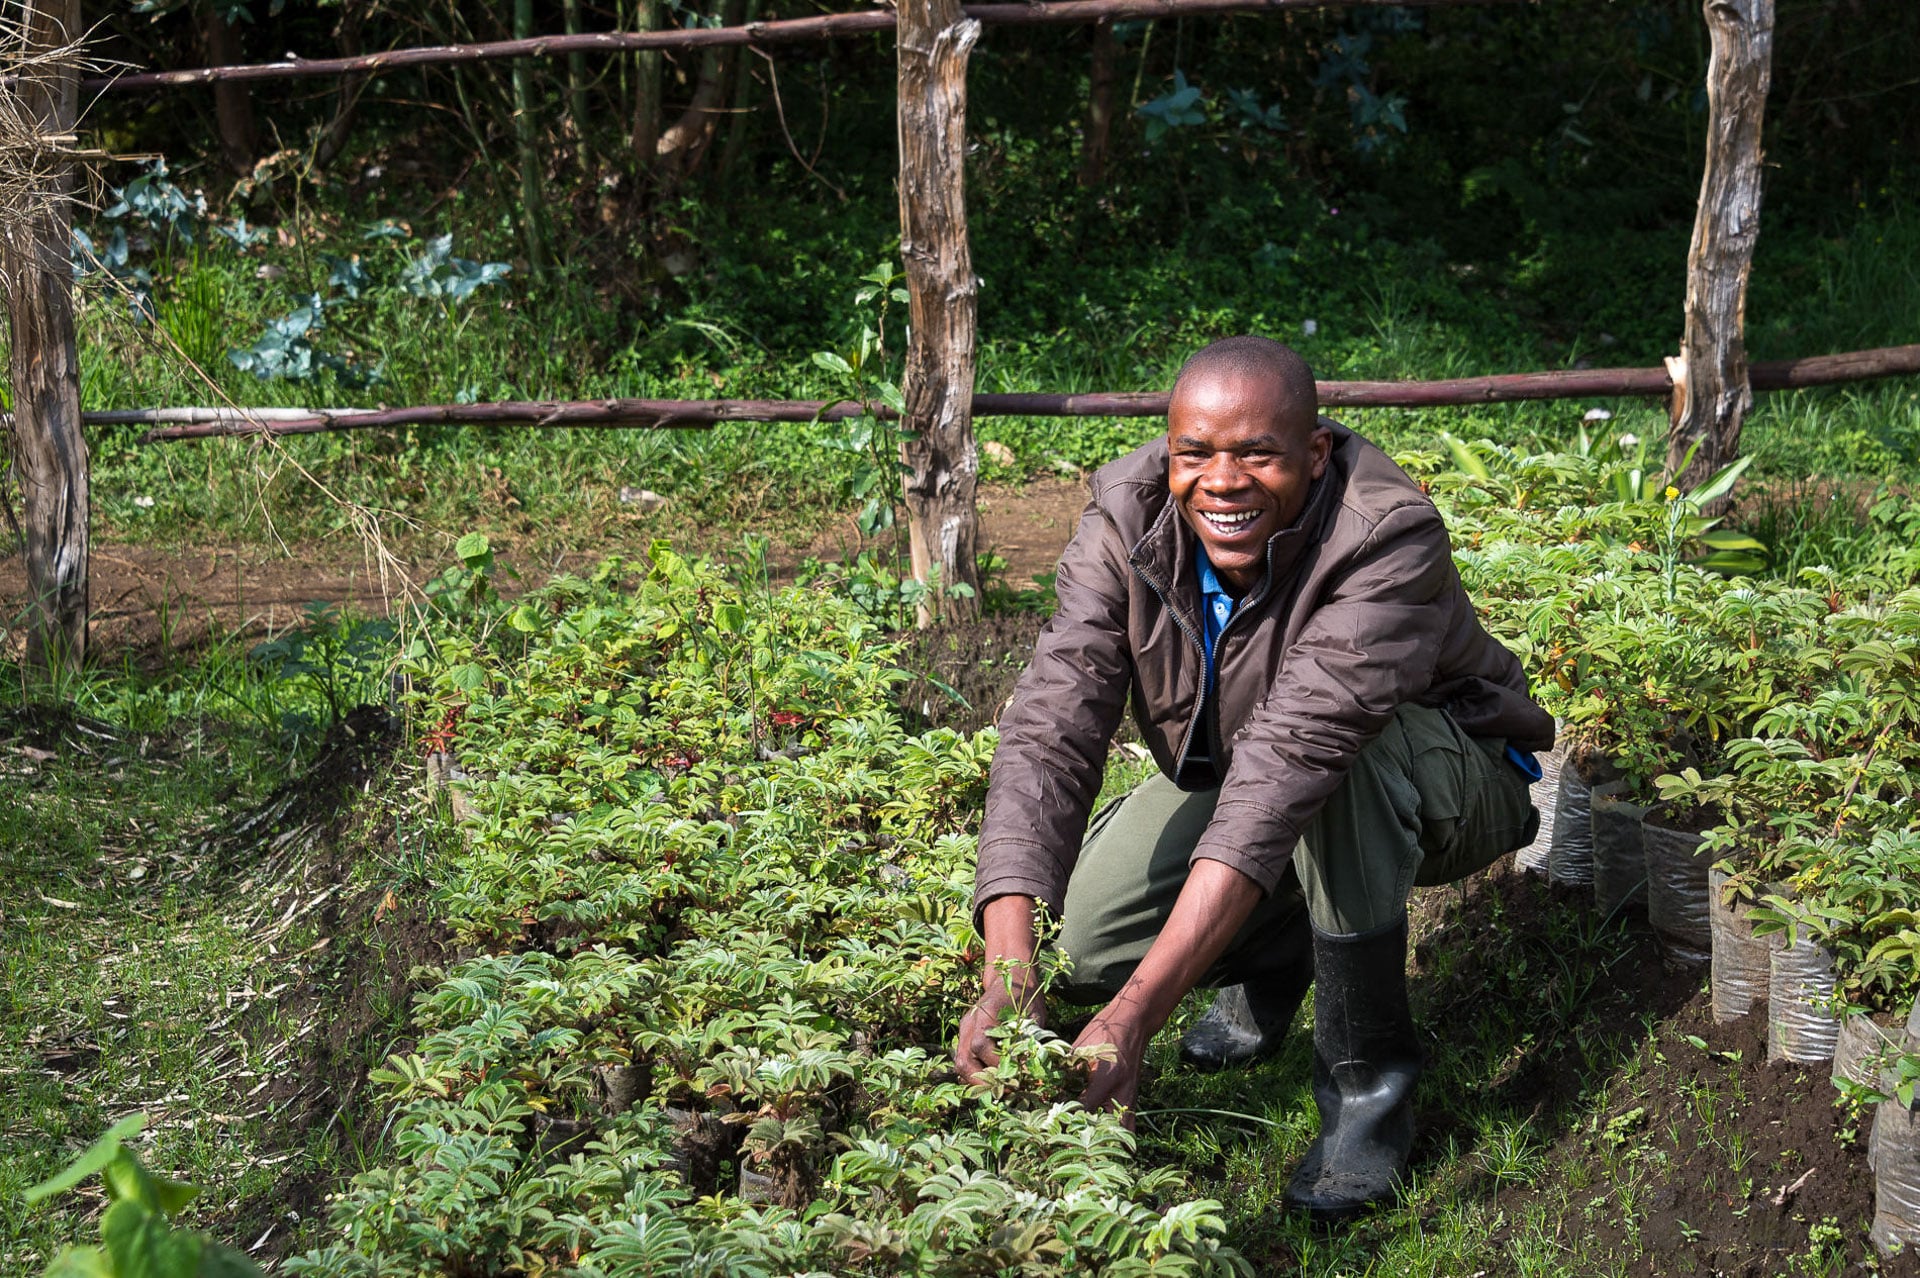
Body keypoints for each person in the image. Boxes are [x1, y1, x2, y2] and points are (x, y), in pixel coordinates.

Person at [953, 335, 1554, 1222]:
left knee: (1335, 772)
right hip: (1251, 765)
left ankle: (1366, 1093)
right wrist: (1009, 973)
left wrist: (1135, 1019)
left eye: (1258, 455)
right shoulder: (1125, 519)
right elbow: (1051, 729)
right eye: (1194, 453)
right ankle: (1279, 945)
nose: (1222, 482)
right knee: (1081, 945)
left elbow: (1297, 761)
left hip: (1449, 772)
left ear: (1314, 453)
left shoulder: (1386, 533)